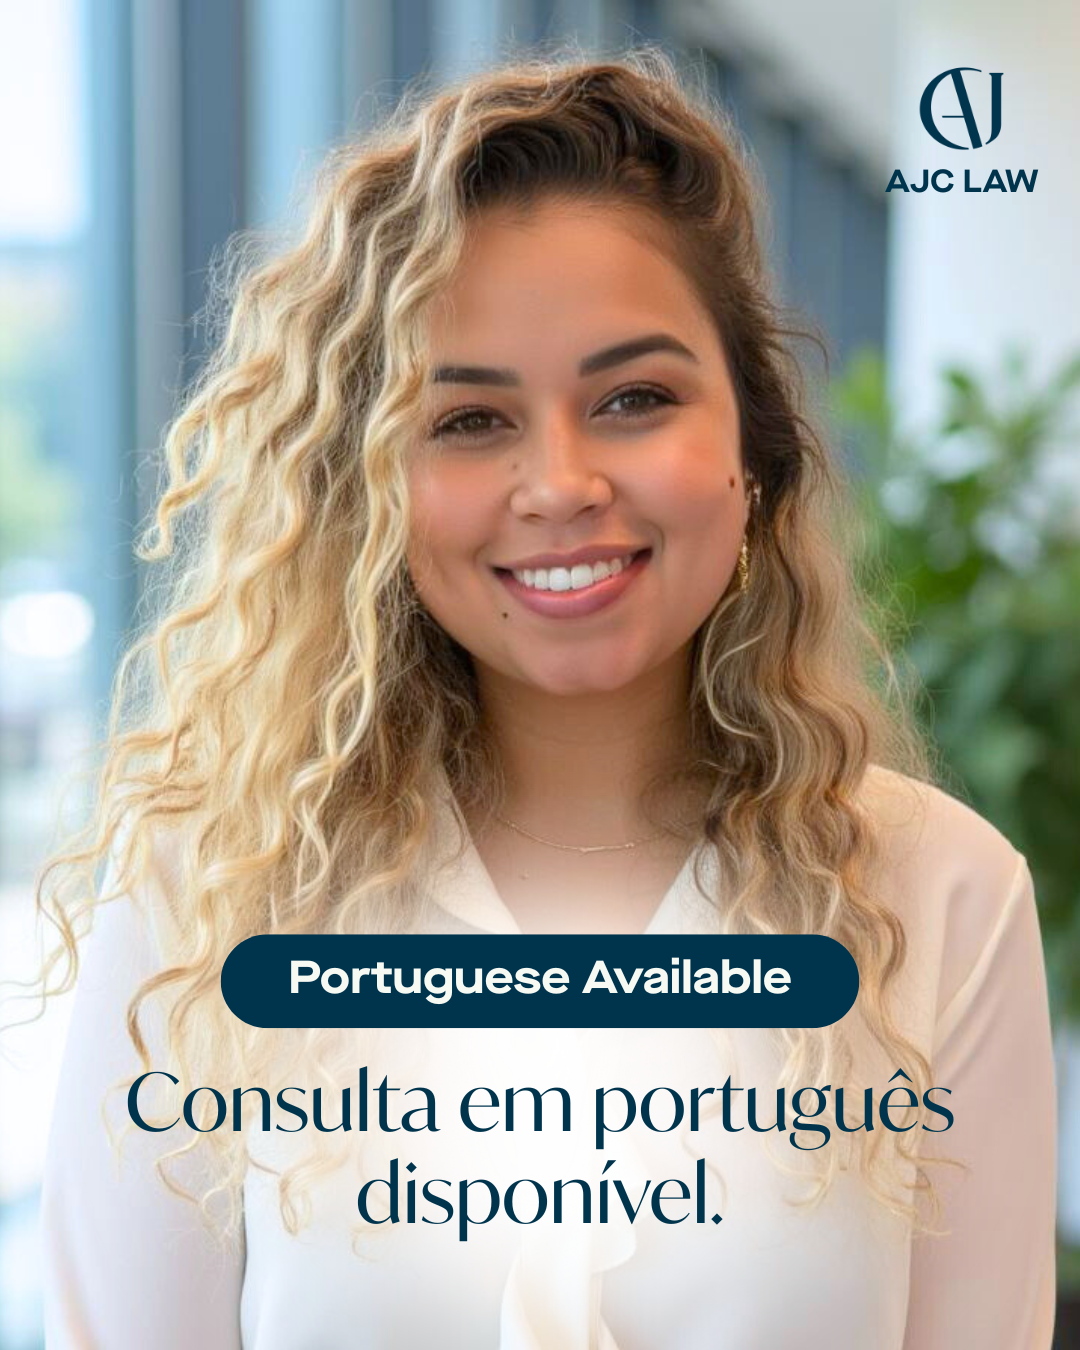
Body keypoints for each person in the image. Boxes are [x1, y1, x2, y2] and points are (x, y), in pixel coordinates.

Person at [35, 49, 1056, 1349]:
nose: (562, 483)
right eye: (468, 420)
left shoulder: (942, 895)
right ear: (369, 490)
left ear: (752, 450)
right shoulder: (202, 893)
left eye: (634, 398)